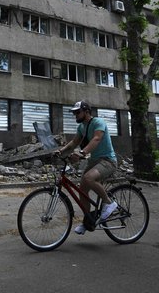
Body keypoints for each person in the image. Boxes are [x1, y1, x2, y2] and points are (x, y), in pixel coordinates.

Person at [55, 100, 118, 235]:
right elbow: (74, 142)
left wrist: (82, 153)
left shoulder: (98, 122)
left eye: (78, 112)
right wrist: (61, 151)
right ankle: (88, 221)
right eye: (74, 113)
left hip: (108, 161)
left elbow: (96, 139)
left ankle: (109, 203)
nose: (75, 115)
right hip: (95, 161)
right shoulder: (82, 127)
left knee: (89, 178)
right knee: (82, 189)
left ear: (87, 112)